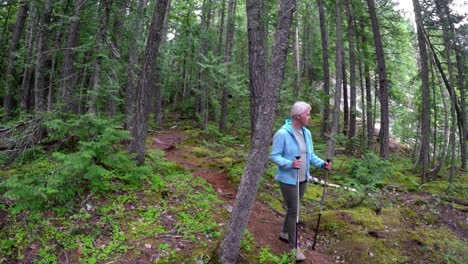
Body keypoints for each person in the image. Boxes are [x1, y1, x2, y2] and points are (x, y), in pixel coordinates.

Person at [270, 101, 331, 262]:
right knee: (294, 210)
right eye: (307, 114)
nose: (309, 117)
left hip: (303, 178)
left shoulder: (306, 133)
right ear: (298, 116)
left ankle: (284, 232)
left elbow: (310, 156)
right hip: (288, 179)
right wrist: (290, 163)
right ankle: (293, 247)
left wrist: (322, 164)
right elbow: (274, 156)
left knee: (292, 209)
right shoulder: (282, 133)